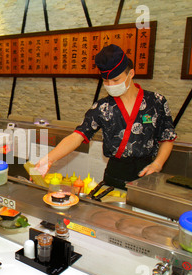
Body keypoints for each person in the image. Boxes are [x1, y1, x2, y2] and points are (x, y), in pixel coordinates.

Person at [35, 44, 177, 189]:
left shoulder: (156, 101)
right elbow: (77, 136)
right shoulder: (102, 107)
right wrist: (48, 160)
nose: (110, 85)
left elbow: (167, 137)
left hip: (147, 174)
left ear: (131, 73)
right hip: (114, 174)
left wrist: (157, 164)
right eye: (106, 81)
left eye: (116, 80)